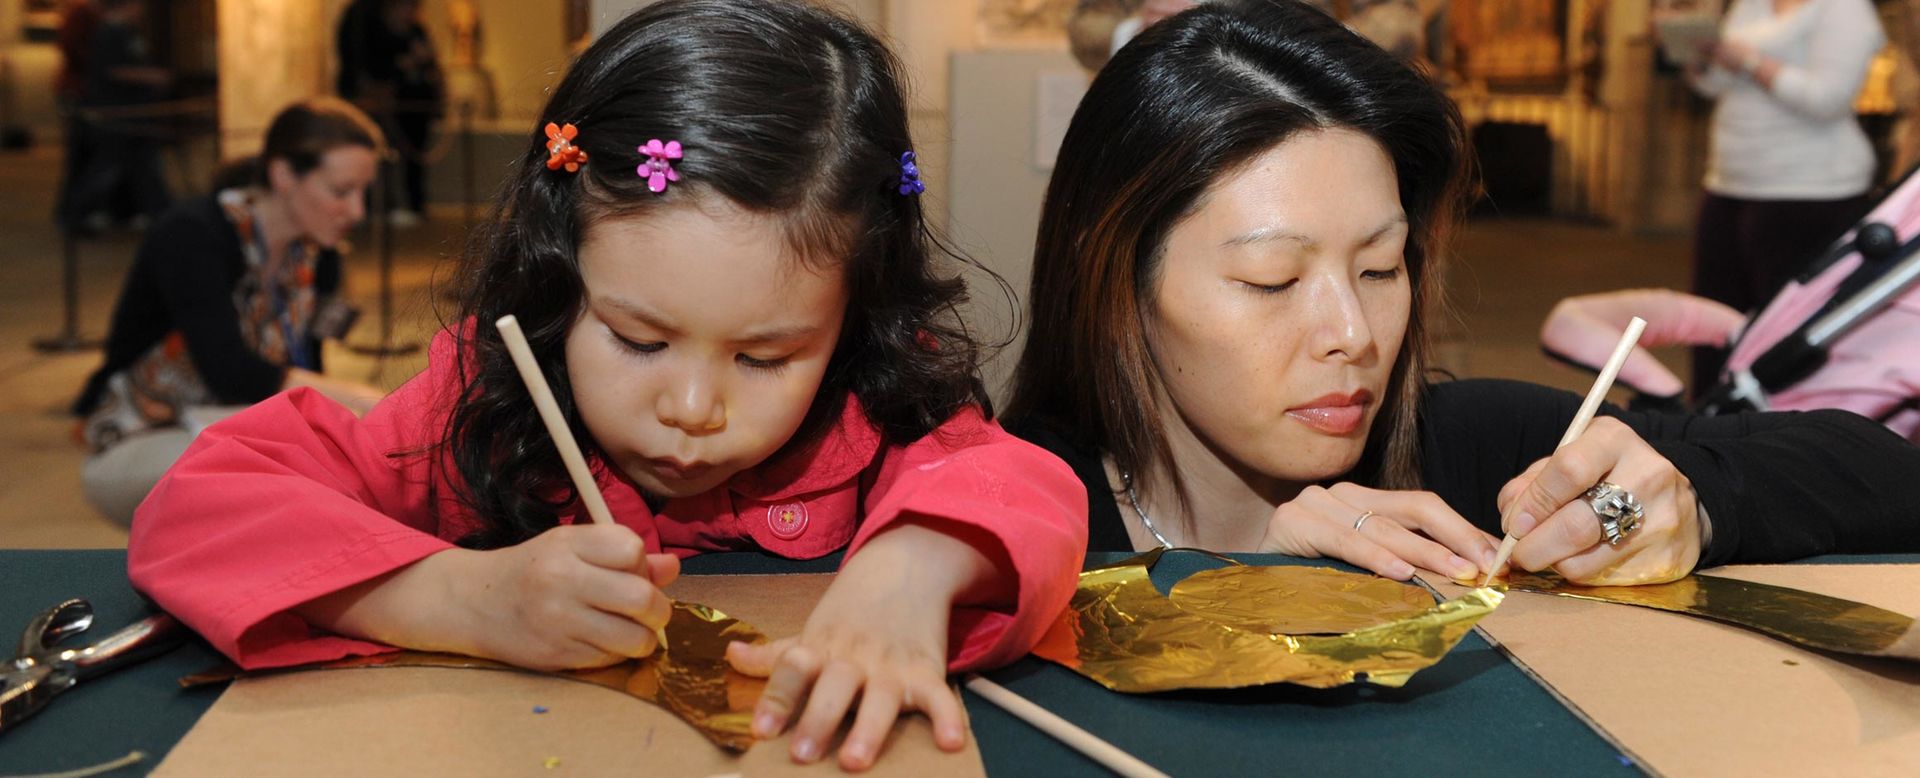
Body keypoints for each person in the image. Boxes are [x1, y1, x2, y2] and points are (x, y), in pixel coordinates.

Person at [128, 0, 1086, 771]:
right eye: (636, 338)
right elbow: (200, 510)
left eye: (763, 359)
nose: (692, 408)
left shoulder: (878, 411)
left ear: (850, 321)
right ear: (557, 278)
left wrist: (914, 573)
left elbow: (1024, 486)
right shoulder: (478, 401)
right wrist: (457, 597)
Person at [1006, 0, 1920, 586]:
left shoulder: (1481, 465)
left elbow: (1880, 468)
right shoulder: (1004, 506)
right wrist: (1236, 585)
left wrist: (1691, 498)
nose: (1353, 333)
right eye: (1272, 279)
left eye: (1380, 266)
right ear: (1113, 276)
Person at [72, 98, 388, 527]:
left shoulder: (320, 256)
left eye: (363, 192)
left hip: (233, 430)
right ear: (283, 175)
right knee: (280, 479)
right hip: (140, 434)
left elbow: (308, 364)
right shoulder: (192, 234)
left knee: (338, 471)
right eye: (341, 191)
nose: (357, 211)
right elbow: (231, 372)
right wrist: (367, 402)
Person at [1664, 0, 1885, 392]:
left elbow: (1827, 100)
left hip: (1808, 190)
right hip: (1731, 180)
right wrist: (1695, 54)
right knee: (1713, 324)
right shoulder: (1751, 5)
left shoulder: (1844, 9)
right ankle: (1709, 429)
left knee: (1782, 331)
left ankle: (1775, 437)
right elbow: (1717, 85)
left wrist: (1747, 61)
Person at [59, 0, 171, 231]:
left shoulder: (126, 32)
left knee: (139, 166)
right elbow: (109, 69)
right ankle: (75, 213)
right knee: (108, 167)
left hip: (132, 112)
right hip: (117, 113)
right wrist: (149, 77)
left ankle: (156, 212)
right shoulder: (108, 33)